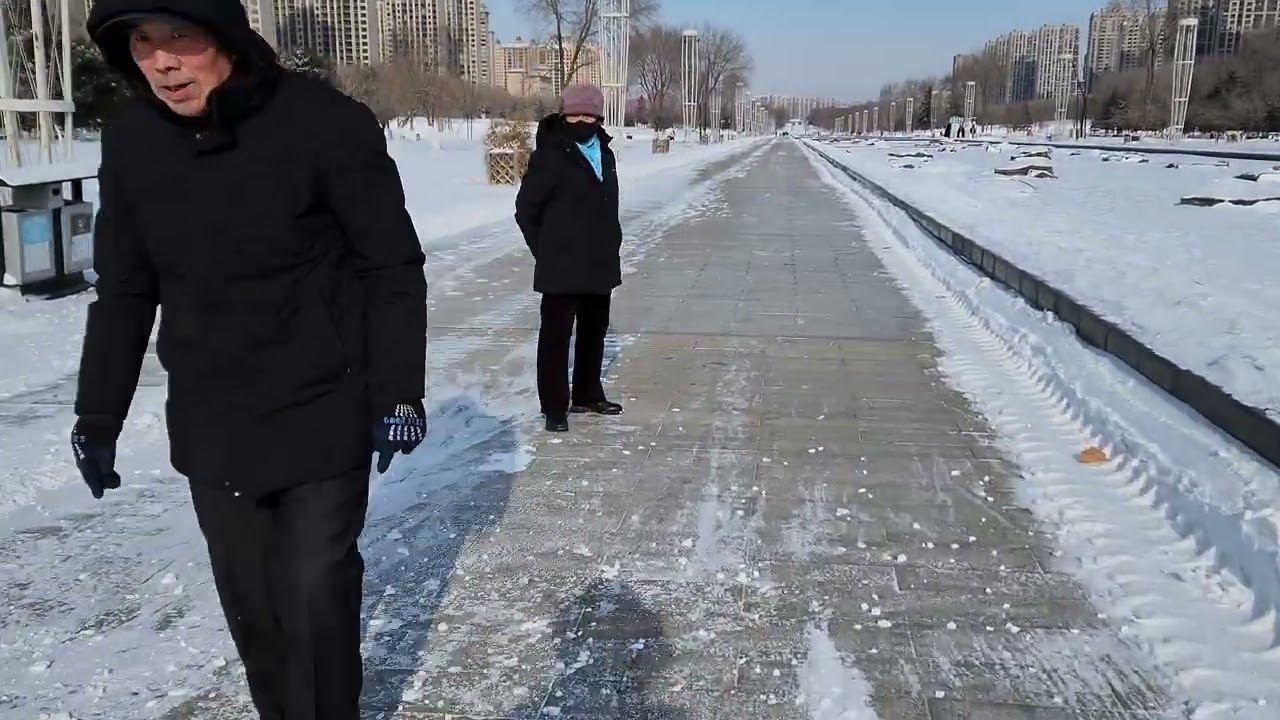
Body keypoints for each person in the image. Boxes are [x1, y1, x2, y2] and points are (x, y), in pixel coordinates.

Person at [70, 0, 427, 717]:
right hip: (215, 419)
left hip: (322, 402)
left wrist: (398, 392)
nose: (163, 62)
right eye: (143, 43)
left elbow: (390, 266)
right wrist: (98, 412)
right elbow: (126, 289)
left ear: (225, 37)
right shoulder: (133, 139)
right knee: (256, 611)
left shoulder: (325, 124)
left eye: (181, 38)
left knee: (315, 594)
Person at [515, 84, 624, 433]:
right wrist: (544, 249)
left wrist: (612, 240)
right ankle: (554, 406)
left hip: (599, 261)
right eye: (575, 114)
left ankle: (587, 394)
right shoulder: (550, 153)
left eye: (588, 115)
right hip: (560, 265)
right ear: (564, 115)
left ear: (598, 117)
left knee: (594, 332)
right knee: (556, 337)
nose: (581, 120)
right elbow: (525, 209)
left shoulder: (605, 153)